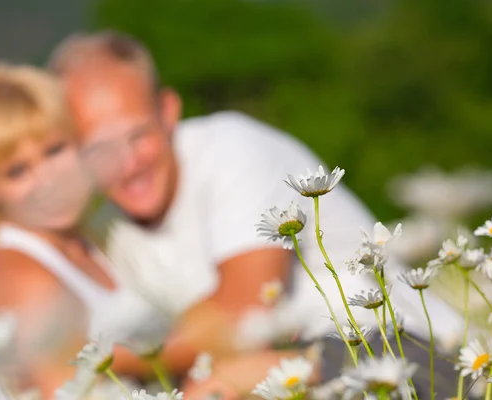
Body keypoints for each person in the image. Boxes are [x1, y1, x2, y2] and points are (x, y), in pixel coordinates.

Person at [47, 31, 464, 398]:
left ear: (168, 110)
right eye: (100, 150)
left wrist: (110, 359)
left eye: (137, 135)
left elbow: (243, 316)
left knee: (218, 386)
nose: (126, 163)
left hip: (405, 352)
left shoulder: (232, 148)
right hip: (277, 369)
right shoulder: (105, 230)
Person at [0, 63, 154, 399]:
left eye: (54, 150)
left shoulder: (91, 240)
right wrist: (192, 349)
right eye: (17, 171)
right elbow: (71, 391)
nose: (47, 182)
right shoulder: (21, 275)